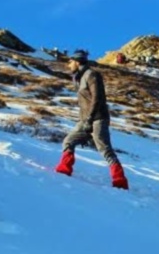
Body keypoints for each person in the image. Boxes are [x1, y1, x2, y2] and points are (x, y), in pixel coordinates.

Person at [55, 49, 129, 190]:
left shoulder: (92, 75)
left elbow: (97, 98)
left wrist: (89, 119)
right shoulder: (79, 77)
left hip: (98, 119)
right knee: (68, 141)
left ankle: (120, 182)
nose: (69, 64)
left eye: (71, 61)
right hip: (85, 120)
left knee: (105, 149)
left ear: (77, 61)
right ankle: (64, 169)